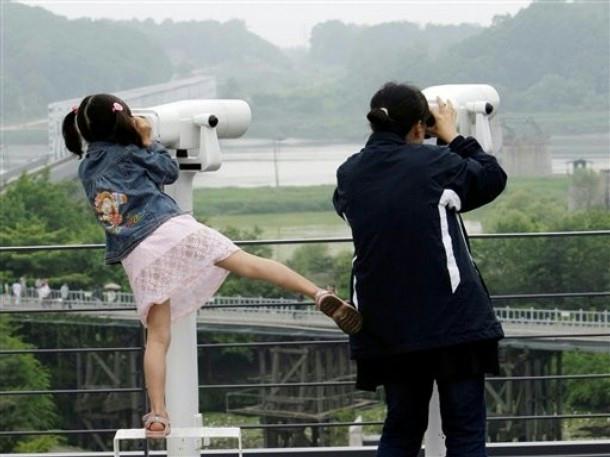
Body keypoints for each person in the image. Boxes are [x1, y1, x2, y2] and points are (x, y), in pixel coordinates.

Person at [62, 93, 362, 438]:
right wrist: (148, 140)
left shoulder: (85, 168)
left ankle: (158, 413)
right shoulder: (132, 151)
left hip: (138, 253)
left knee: (157, 337)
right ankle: (317, 293)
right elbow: (168, 171)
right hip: (172, 228)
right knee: (249, 264)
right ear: (123, 120)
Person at [333, 82, 507, 457]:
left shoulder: (349, 174)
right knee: (464, 431)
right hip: (453, 320)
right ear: (418, 127)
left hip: (387, 325)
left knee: (402, 429)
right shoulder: (436, 164)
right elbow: (491, 178)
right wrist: (452, 136)